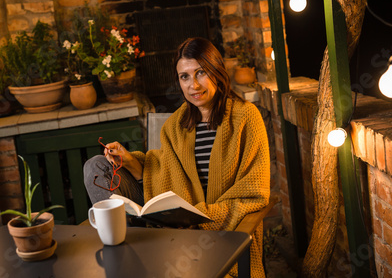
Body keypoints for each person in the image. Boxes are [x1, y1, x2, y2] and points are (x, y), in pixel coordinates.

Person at [84, 37, 270, 277]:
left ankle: (140, 261)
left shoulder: (246, 117)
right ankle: (124, 258)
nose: (193, 85)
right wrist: (131, 163)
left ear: (217, 72)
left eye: (201, 72)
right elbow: (165, 173)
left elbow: (253, 193)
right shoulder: (174, 125)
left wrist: (202, 216)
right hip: (176, 224)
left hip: (217, 230)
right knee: (96, 166)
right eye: (184, 76)